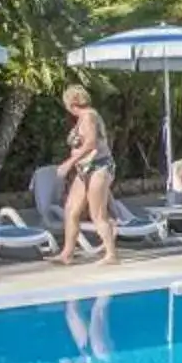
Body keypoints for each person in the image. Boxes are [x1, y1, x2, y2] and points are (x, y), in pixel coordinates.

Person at [55, 84, 118, 265]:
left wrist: (68, 163)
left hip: (98, 168)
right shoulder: (83, 118)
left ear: (72, 102)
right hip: (85, 170)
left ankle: (111, 255)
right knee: (71, 209)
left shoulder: (89, 117)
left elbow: (91, 144)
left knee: (97, 213)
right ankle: (67, 253)